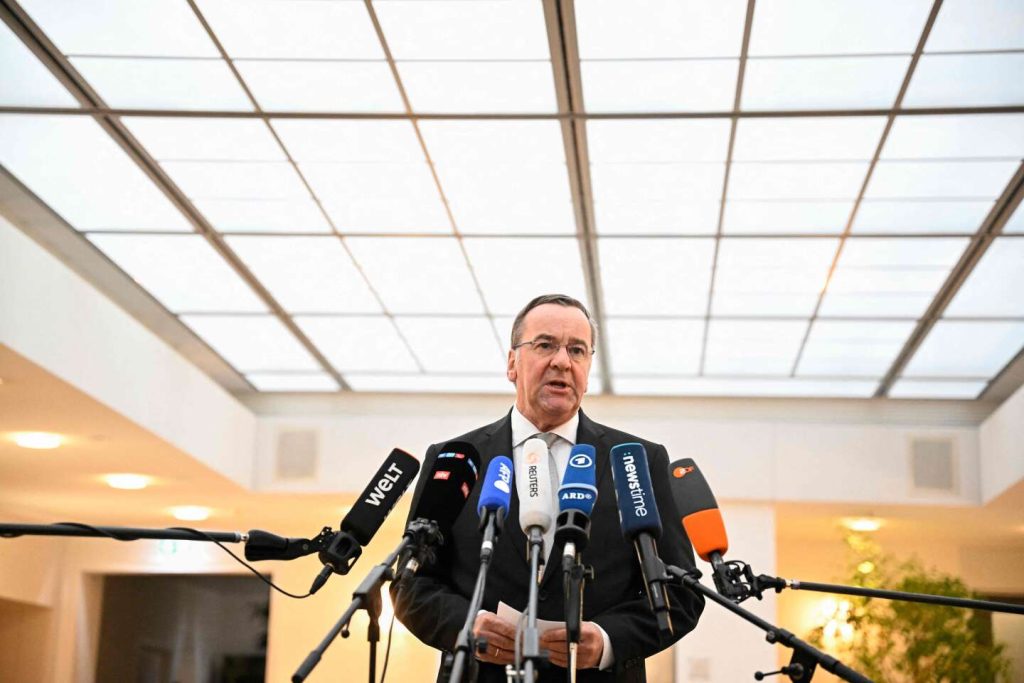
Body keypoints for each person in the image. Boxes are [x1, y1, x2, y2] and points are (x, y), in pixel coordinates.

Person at [392, 294, 704, 682]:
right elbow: (410, 583)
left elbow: (681, 593)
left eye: (577, 350)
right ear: (512, 363)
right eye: (545, 345)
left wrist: (608, 640)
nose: (562, 361)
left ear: (587, 368)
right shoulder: (455, 459)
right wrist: (466, 626)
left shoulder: (638, 460)